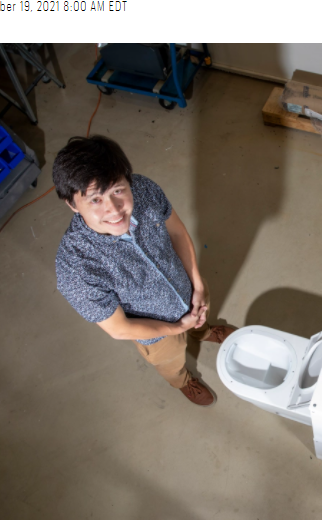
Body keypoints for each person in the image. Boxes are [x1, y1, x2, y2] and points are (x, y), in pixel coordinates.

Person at [53, 135, 233, 406]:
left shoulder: (144, 189)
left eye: (117, 190)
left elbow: (176, 231)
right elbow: (120, 329)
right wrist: (175, 328)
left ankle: (203, 331)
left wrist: (196, 283)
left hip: (187, 288)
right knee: (170, 361)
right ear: (71, 203)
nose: (113, 209)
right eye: (95, 200)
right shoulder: (75, 266)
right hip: (156, 332)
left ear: (128, 180)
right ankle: (182, 380)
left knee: (200, 314)